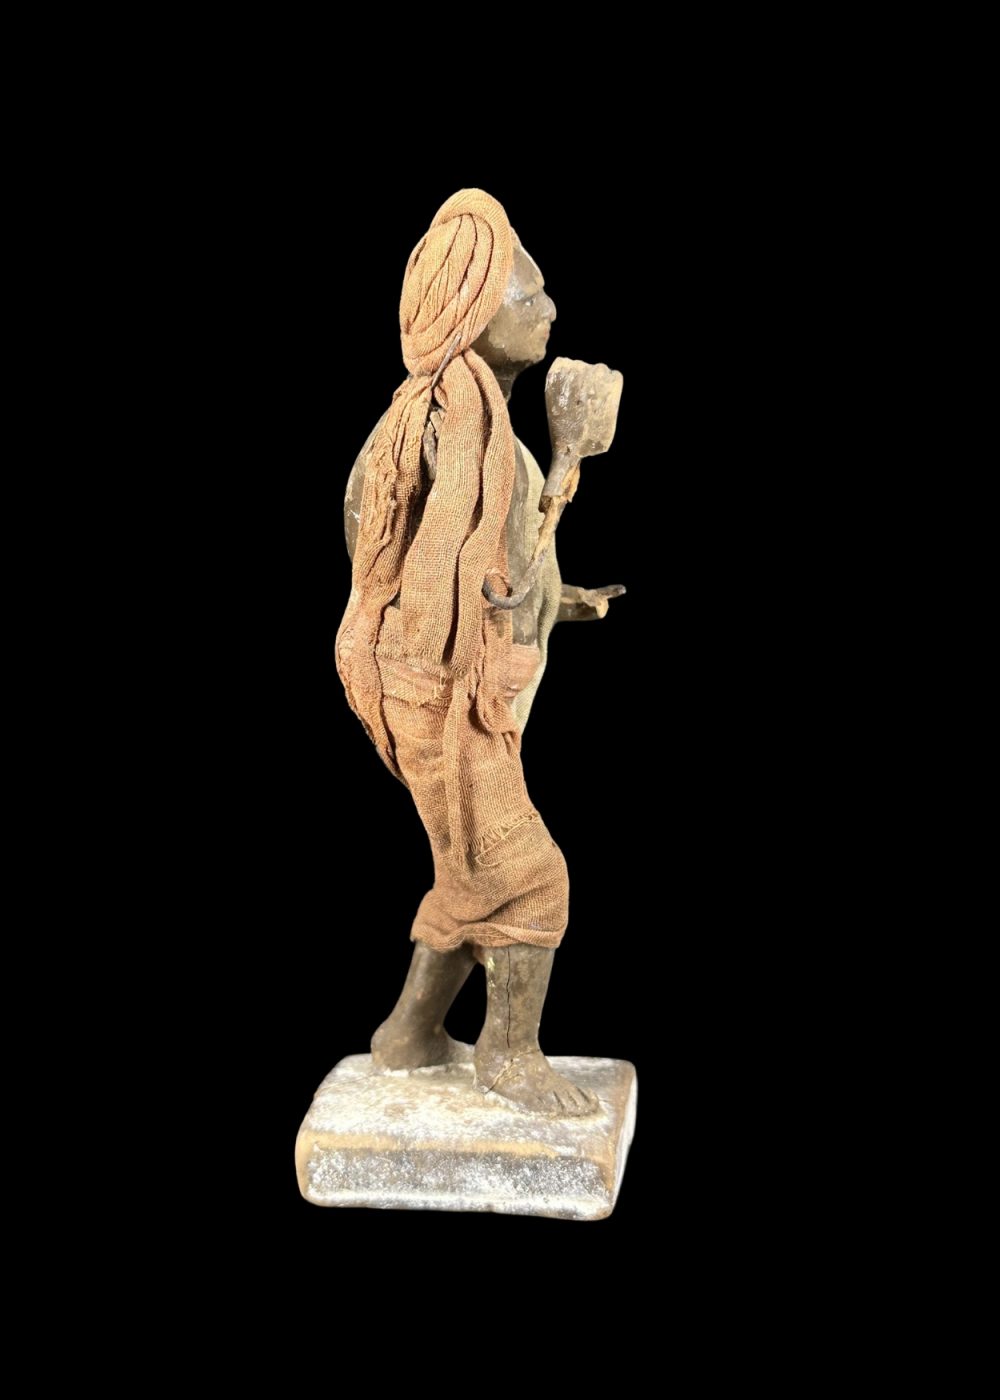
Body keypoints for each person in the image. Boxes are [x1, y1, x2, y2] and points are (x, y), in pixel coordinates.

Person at [336, 189, 621, 1116]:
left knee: (470, 877)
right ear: (473, 313)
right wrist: (571, 456)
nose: (548, 309)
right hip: (440, 700)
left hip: (454, 693)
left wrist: (556, 601)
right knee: (529, 878)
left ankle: (407, 1037)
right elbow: (459, 589)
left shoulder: (479, 432)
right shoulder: (443, 438)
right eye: (527, 295)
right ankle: (507, 1058)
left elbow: (492, 580)